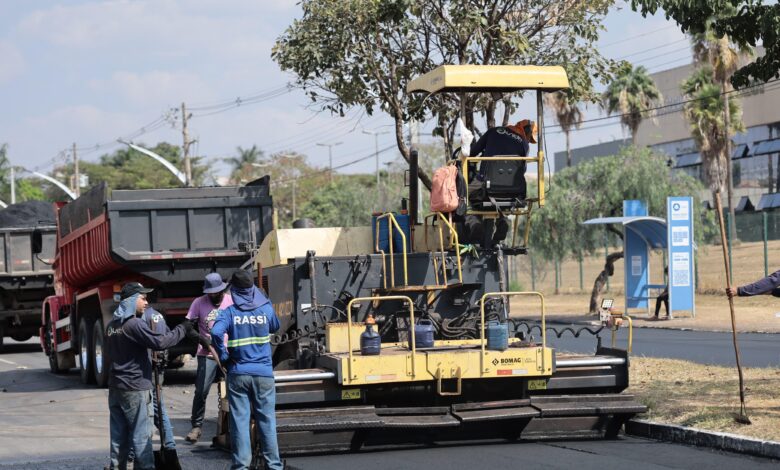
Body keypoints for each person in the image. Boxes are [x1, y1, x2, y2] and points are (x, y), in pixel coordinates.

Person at [104, 282, 195, 470]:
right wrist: (183, 329)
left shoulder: (111, 326)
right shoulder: (134, 324)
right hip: (135, 387)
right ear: (130, 301)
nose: (146, 302)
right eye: (142, 298)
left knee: (118, 437)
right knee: (141, 436)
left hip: (116, 388)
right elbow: (160, 342)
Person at [211, 270, 282, 470]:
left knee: (240, 422)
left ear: (234, 291)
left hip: (239, 373)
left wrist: (224, 356)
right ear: (252, 289)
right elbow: (275, 327)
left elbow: (216, 332)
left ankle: (241, 466)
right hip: (264, 375)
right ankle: (274, 465)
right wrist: (263, 300)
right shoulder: (265, 308)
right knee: (267, 421)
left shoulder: (230, 312)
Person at [462, 119, 536, 246]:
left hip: (484, 183)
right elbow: (521, 170)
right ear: (525, 132)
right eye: (530, 137)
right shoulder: (524, 144)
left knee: (461, 197)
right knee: (502, 198)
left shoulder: (493, 131)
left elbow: (472, 153)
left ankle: (474, 223)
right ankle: (502, 220)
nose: (529, 140)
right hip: (512, 189)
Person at [185, 272, 233, 443]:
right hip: (207, 353)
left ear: (222, 290)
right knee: (201, 390)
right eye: (210, 293)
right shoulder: (199, 303)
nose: (213, 296)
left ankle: (232, 426)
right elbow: (188, 327)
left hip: (228, 353)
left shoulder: (230, 300)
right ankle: (196, 426)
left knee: (233, 389)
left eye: (216, 292)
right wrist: (201, 339)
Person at [127, 306, 177, 461]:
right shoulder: (158, 315)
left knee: (149, 409)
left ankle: (166, 447)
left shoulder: (141, 319)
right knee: (157, 406)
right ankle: (169, 447)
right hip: (159, 366)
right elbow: (168, 336)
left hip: (149, 368)